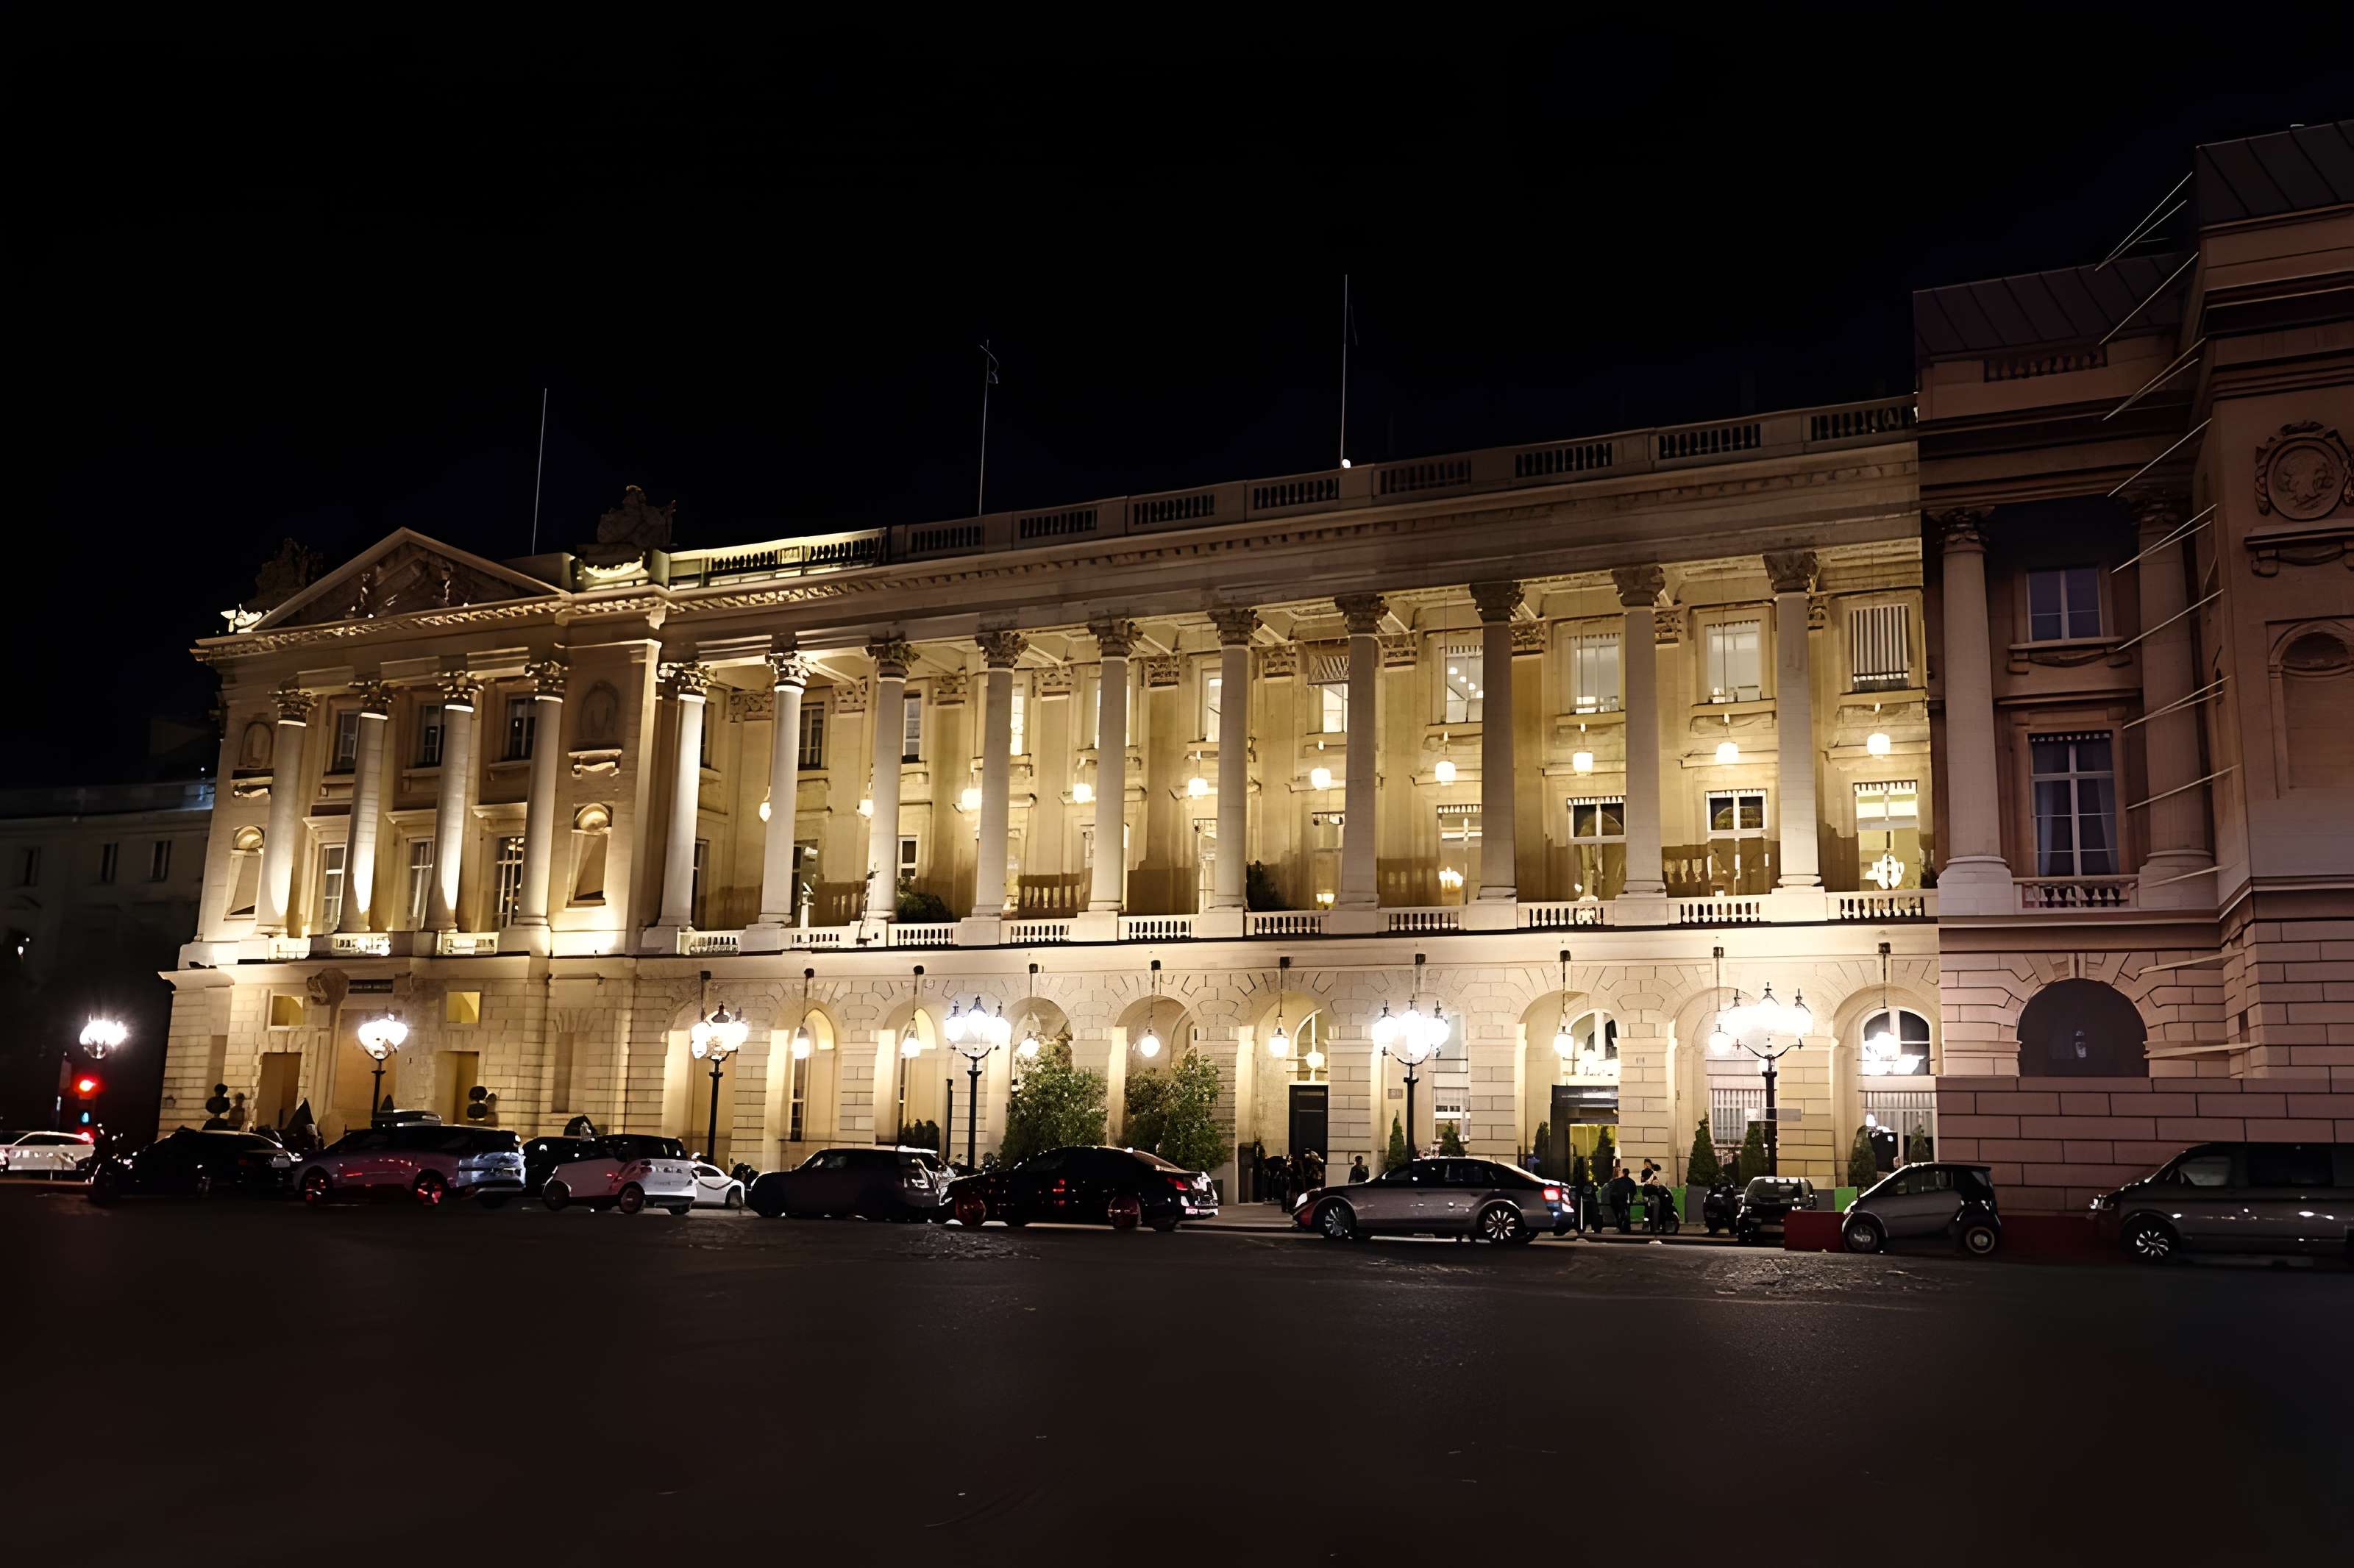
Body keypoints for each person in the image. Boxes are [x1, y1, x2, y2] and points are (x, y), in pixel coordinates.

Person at [1607, 1164, 1638, 1234]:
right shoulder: (1631, 1182)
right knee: (1626, 1213)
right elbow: (1634, 1191)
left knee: (1619, 1213)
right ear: (1628, 1173)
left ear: (1623, 1173)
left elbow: (1612, 1190)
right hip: (1627, 1200)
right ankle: (1626, 1227)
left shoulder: (1617, 1181)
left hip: (1618, 1200)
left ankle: (1619, 1226)